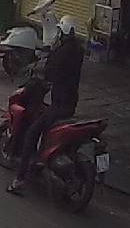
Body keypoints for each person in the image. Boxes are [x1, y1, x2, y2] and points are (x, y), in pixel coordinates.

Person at [7, 16, 86, 194]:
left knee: (32, 132)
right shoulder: (78, 50)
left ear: (64, 32)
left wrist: (39, 71)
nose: (57, 34)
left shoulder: (62, 52)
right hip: (71, 102)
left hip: (59, 104)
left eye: (59, 31)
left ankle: (20, 180)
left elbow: (50, 71)